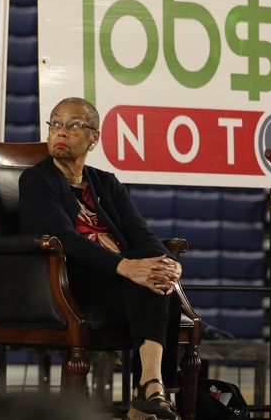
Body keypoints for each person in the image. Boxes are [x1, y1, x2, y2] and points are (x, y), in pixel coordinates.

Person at [18, 97, 183, 420]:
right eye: (55, 123)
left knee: (155, 276)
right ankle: (147, 394)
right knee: (147, 278)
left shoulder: (105, 182)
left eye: (74, 125)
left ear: (94, 137)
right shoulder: (36, 181)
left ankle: (151, 386)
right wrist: (127, 266)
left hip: (120, 281)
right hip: (71, 282)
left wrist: (168, 263)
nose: (61, 131)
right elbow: (62, 238)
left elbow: (141, 234)